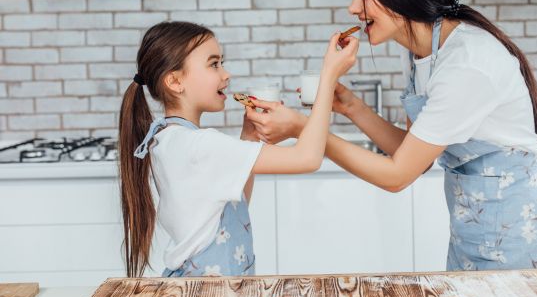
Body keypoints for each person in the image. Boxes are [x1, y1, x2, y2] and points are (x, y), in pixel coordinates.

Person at [245, 0, 537, 271]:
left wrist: (303, 128)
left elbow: (398, 175)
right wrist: (351, 106)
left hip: (517, 232)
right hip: (474, 228)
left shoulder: (466, 63)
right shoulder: (420, 52)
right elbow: (412, 152)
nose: (353, 7)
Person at [118, 21, 358, 277]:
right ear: (175, 81)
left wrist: (249, 138)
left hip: (198, 286)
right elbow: (307, 158)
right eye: (214, 64)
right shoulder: (201, 145)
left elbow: (229, 203)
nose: (226, 74)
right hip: (209, 292)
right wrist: (328, 77)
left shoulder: (170, 138)